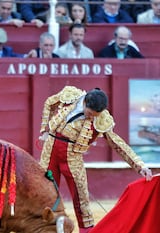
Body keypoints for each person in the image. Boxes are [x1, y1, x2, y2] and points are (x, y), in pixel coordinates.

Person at [38, 86, 153, 233]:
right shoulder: (71, 95)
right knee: (44, 193)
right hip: (50, 151)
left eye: (95, 116)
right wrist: (44, 129)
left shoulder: (102, 119)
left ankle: (86, 231)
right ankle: (42, 228)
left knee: (81, 199)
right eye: (90, 114)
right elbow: (49, 103)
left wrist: (139, 165)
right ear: (85, 102)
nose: (92, 118)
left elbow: (117, 143)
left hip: (72, 157)